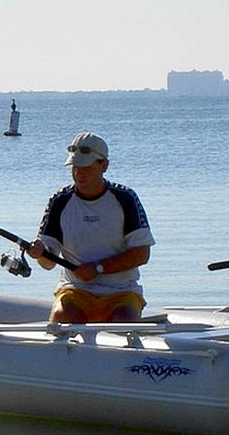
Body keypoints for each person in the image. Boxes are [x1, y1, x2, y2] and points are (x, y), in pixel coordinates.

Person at [27, 132, 154, 323]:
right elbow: (48, 263)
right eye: (75, 167)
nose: (79, 173)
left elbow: (142, 254)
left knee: (122, 322)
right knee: (63, 317)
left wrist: (98, 268)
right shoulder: (59, 201)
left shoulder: (126, 199)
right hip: (74, 289)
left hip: (122, 292)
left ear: (104, 165)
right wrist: (39, 253)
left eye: (86, 166)